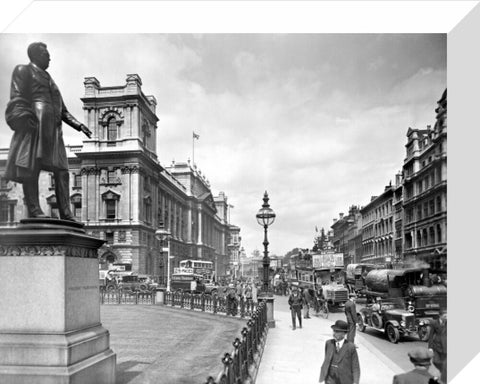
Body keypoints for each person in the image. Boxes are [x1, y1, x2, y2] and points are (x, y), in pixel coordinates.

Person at [5, 42, 92, 221]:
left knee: (62, 170)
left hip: (54, 129)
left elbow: (63, 110)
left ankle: (66, 213)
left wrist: (79, 125)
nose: (49, 57)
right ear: (35, 55)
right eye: (46, 54)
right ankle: (35, 209)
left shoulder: (50, 80)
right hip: (36, 124)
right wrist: (24, 118)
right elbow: (17, 97)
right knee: (32, 167)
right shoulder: (23, 70)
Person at [319, 319, 360, 384]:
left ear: (344, 333)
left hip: (345, 380)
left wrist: (356, 382)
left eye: (337, 331)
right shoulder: (328, 343)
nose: (334, 333)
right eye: (334, 331)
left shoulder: (350, 347)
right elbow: (327, 359)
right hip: (330, 379)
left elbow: (355, 367)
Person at [428, 311, 447, 383]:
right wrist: (430, 347)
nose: (447, 318)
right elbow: (431, 335)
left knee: (445, 362)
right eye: (445, 316)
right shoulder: (434, 323)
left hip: (446, 344)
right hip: (437, 345)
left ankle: (444, 374)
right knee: (435, 361)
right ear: (440, 316)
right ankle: (443, 371)